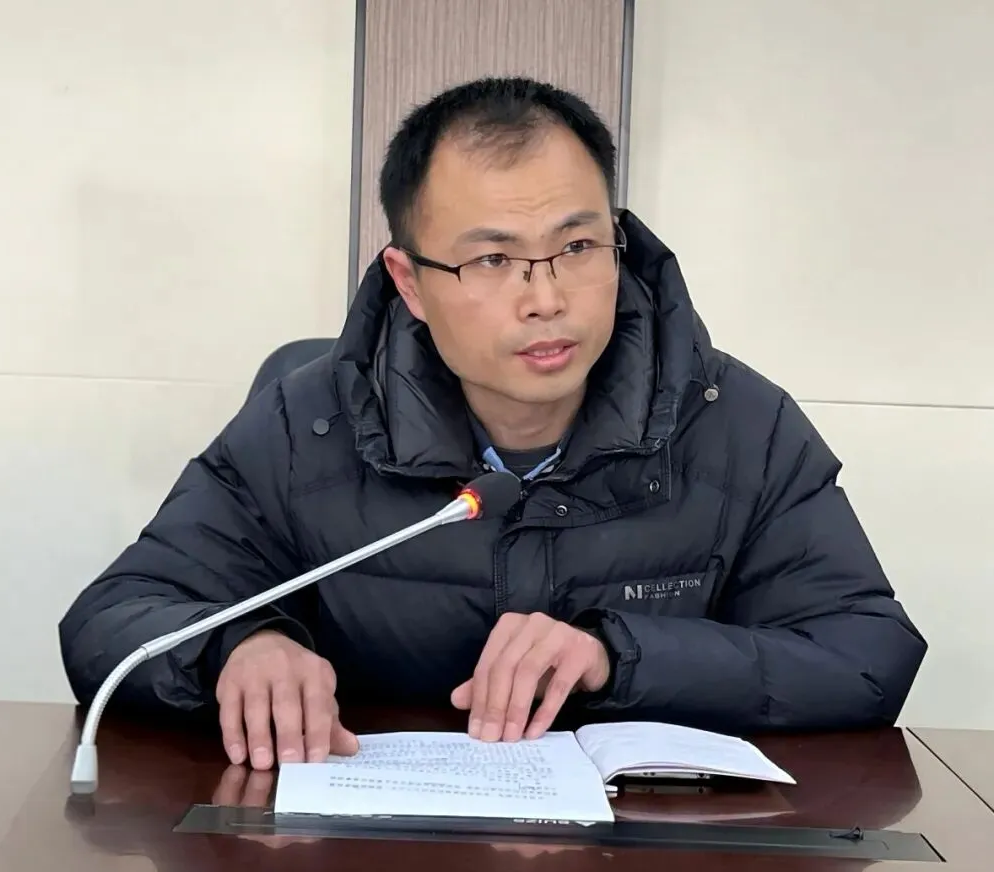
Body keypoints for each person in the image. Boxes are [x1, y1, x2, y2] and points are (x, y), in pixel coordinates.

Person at [59, 76, 926, 772]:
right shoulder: (308, 423)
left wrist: (619, 656)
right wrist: (233, 648)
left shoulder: (737, 423)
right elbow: (113, 616)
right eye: (492, 258)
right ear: (409, 281)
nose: (545, 298)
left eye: (577, 247)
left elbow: (865, 653)